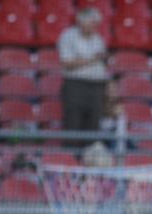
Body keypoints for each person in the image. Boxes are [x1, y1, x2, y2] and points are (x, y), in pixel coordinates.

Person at [58, 7, 109, 145]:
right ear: (81, 22)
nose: (95, 25)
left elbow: (102, 62)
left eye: (96, 22)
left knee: (93, 123)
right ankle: (71, 155)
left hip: (97, 85)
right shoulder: (68, 36)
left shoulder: (98, 39)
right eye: (92, 22)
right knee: (73, 121)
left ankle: (91, 154)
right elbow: (67, 63)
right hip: (76, 84)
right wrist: (92, 59)